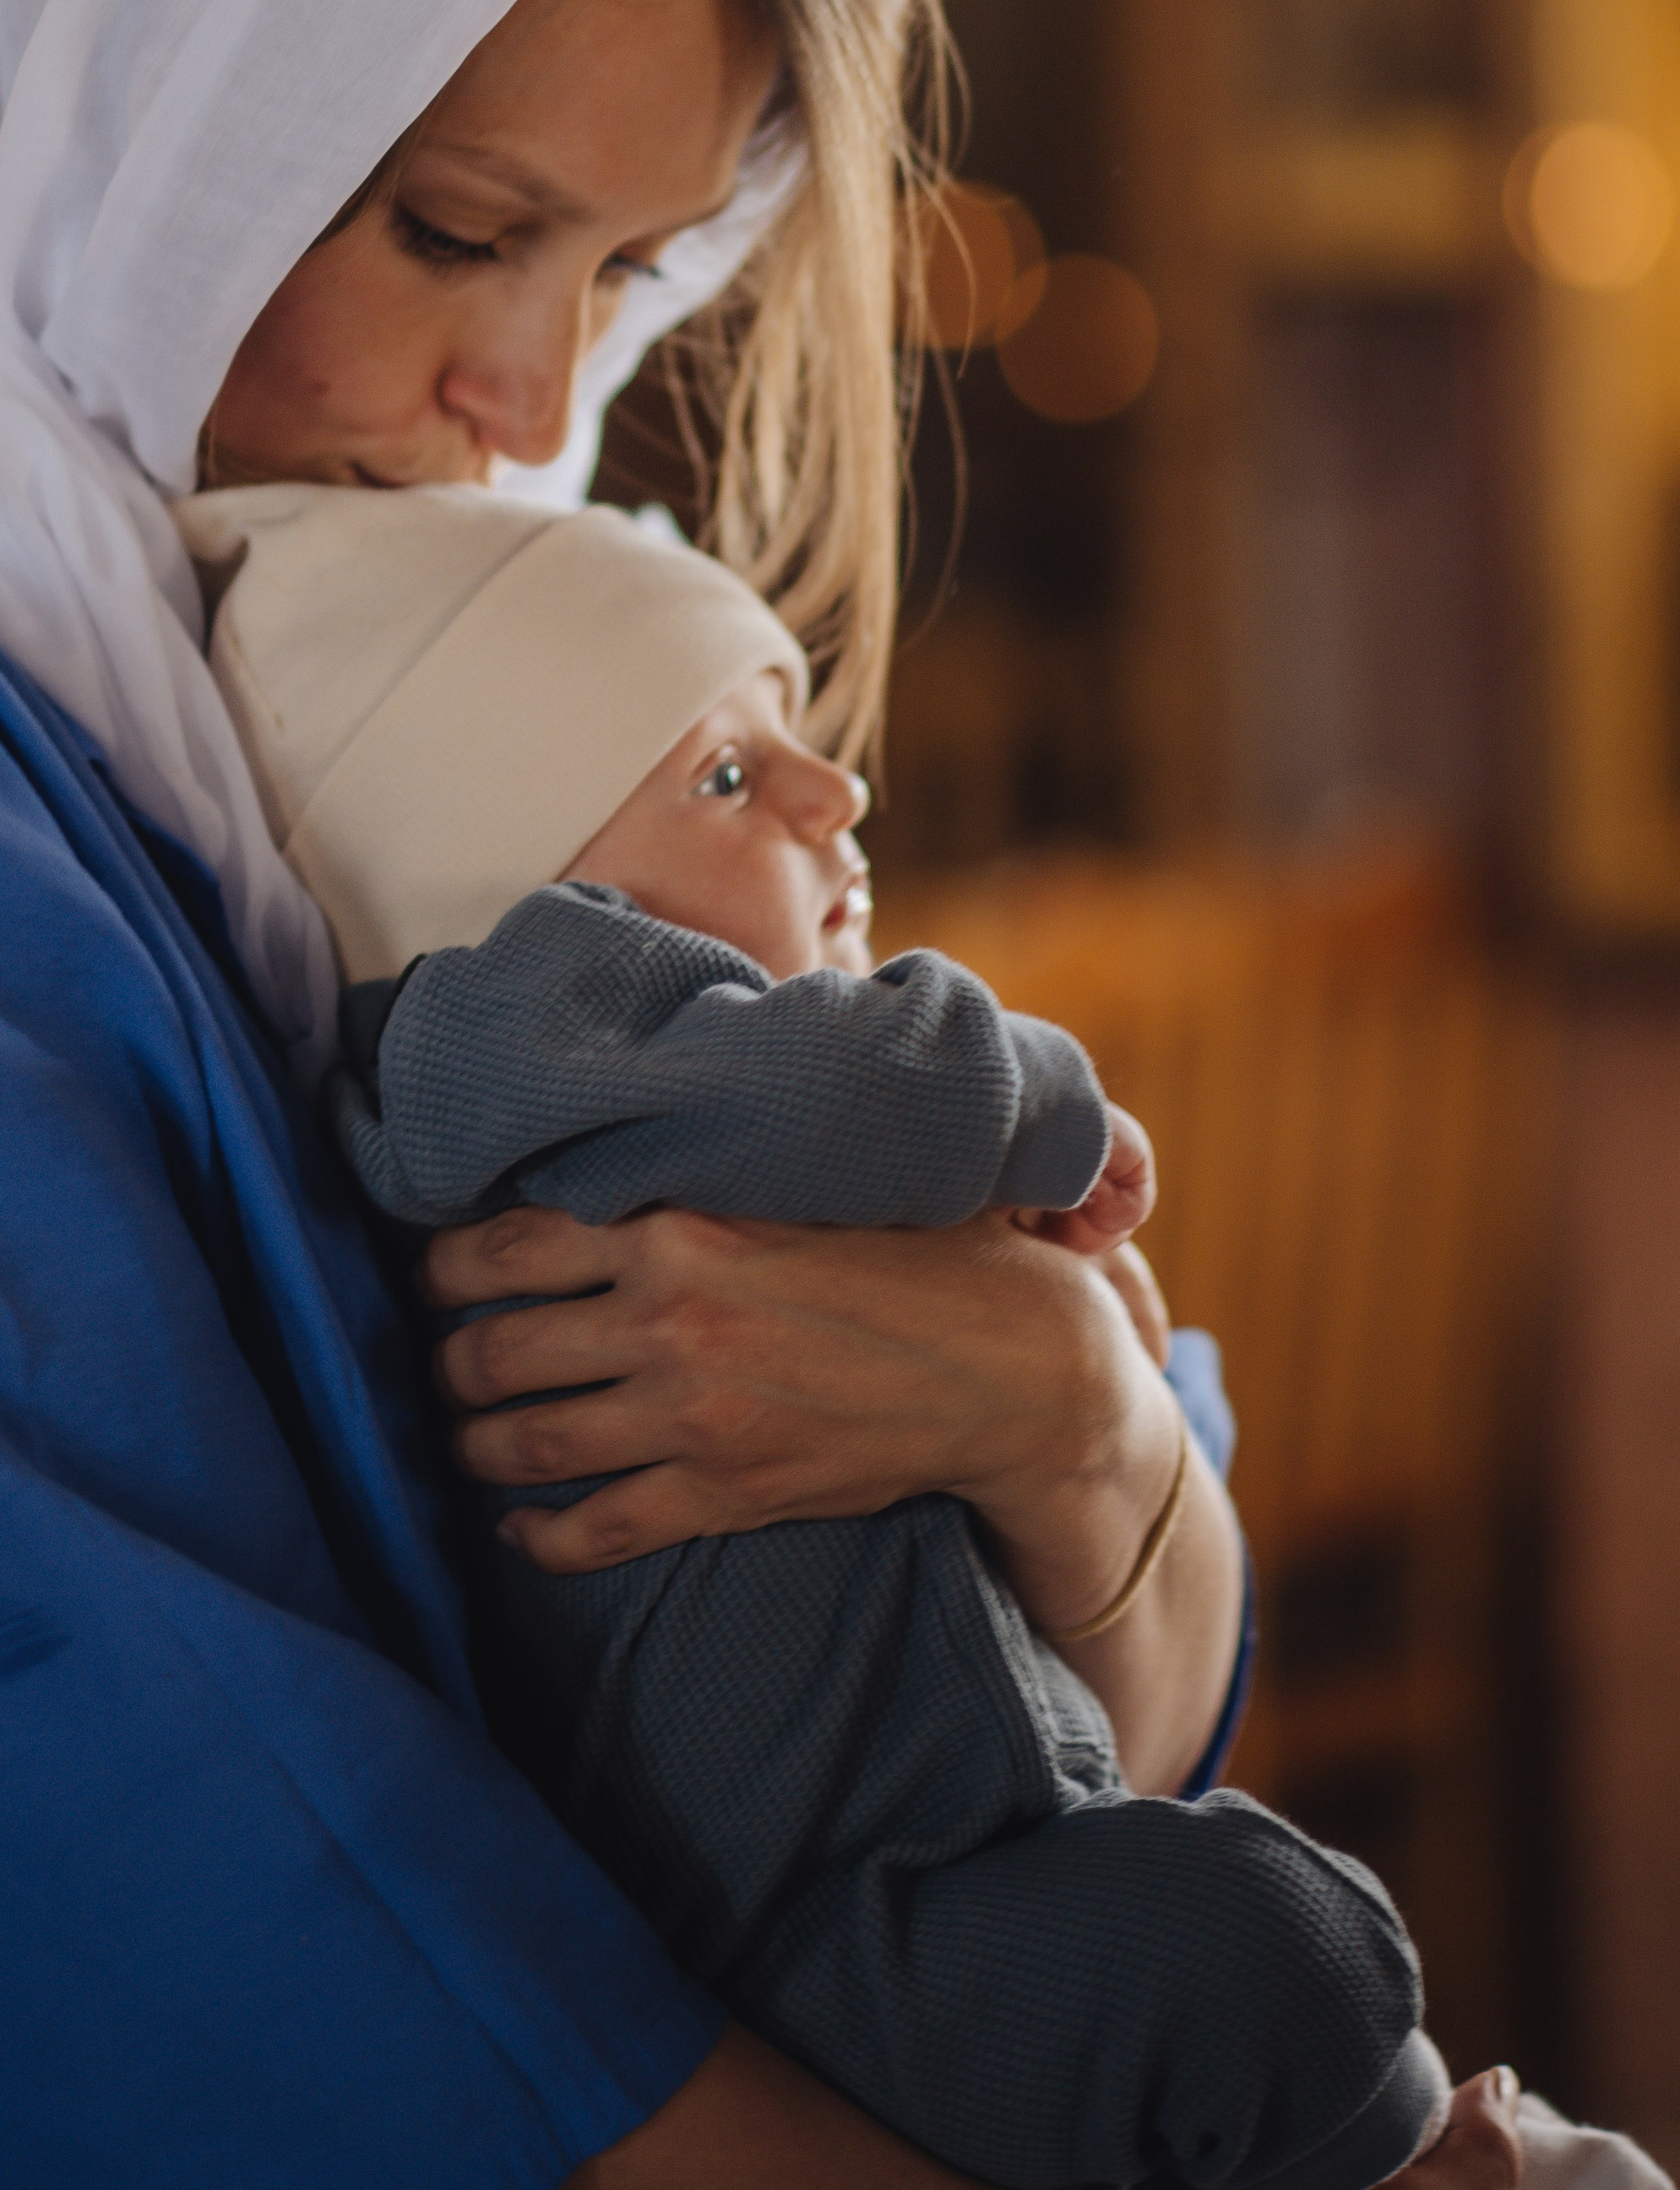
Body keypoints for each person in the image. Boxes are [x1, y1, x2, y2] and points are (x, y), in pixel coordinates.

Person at [0, 0, 1519, 2187]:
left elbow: (1091, 1699)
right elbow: (105, 1866)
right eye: (448, 226)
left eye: (619, 272)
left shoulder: (421, 690)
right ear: (130, 70)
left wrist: (1062, 1406)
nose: (526, 394)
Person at [176, 470, 1450, 2190]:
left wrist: (1063, 1356)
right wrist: (1039, 1101)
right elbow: (886, 1082)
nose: (832, 783)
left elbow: (1167, 1591)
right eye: (720, 770)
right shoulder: (499, 1027)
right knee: (1273, 1949)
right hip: (827, 1918)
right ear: (504, 876)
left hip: (940, 1835)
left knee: (1259, 1938)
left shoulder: (661, 1104)